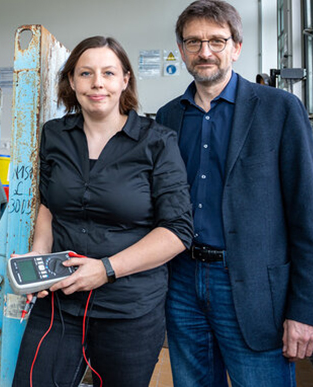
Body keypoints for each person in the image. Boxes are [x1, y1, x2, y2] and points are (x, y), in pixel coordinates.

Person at [156, 0, 313, 386]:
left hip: (253, 288)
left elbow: (307, 216)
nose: (205, 52)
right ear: (181, 50)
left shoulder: (279, 109)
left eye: (217, 41)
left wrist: (305, 309)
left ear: (236, 47)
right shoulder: (168, 117)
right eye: (193, 42)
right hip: (182, 283)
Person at [13, 36, 193, 387]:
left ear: (125, 80)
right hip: (59, 300)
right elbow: (49, 204)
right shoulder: (55, 135)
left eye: (108, 73)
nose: (97, 83)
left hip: (129, 308)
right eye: (86, 73)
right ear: (71, 82)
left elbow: (176, 231)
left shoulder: (157, 141)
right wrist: (38, 251)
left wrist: (106, 270)